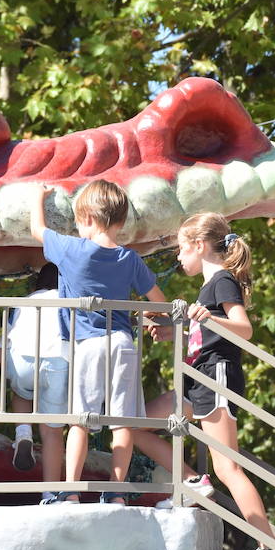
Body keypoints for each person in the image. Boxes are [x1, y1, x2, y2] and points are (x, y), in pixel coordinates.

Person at [131, 213, 275, 550]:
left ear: (199, 246)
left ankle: (270, 547)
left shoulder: (222, 282)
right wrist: (175, 334)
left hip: (215, 379)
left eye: (181, 250)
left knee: (227, 467)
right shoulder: (208, 288)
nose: (178, 258)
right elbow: (207, 334)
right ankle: (190, 481)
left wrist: (208, 319)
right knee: (135, 424)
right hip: (196, 379)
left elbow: (243, 330)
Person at [29, 181, 167, 502]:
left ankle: (72, 492)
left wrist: (38, 197)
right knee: (122, 424)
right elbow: (159, 302)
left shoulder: (70, 249)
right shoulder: (129, 259)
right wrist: (152, 319)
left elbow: (38, 229)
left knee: (80, 421)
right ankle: (116, 493)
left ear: (88, 218)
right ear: (120, 221)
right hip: (122, 344)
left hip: (87, 346)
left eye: (79, 221)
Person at [0, 264, 67, 498]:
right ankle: (50, 494)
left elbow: (0, 356)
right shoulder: (71, 301)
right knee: (52, 432)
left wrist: (9, 372)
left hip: (22, 360)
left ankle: (23, 432)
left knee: (20, 392)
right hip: (58, 362)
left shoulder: (21, 303)